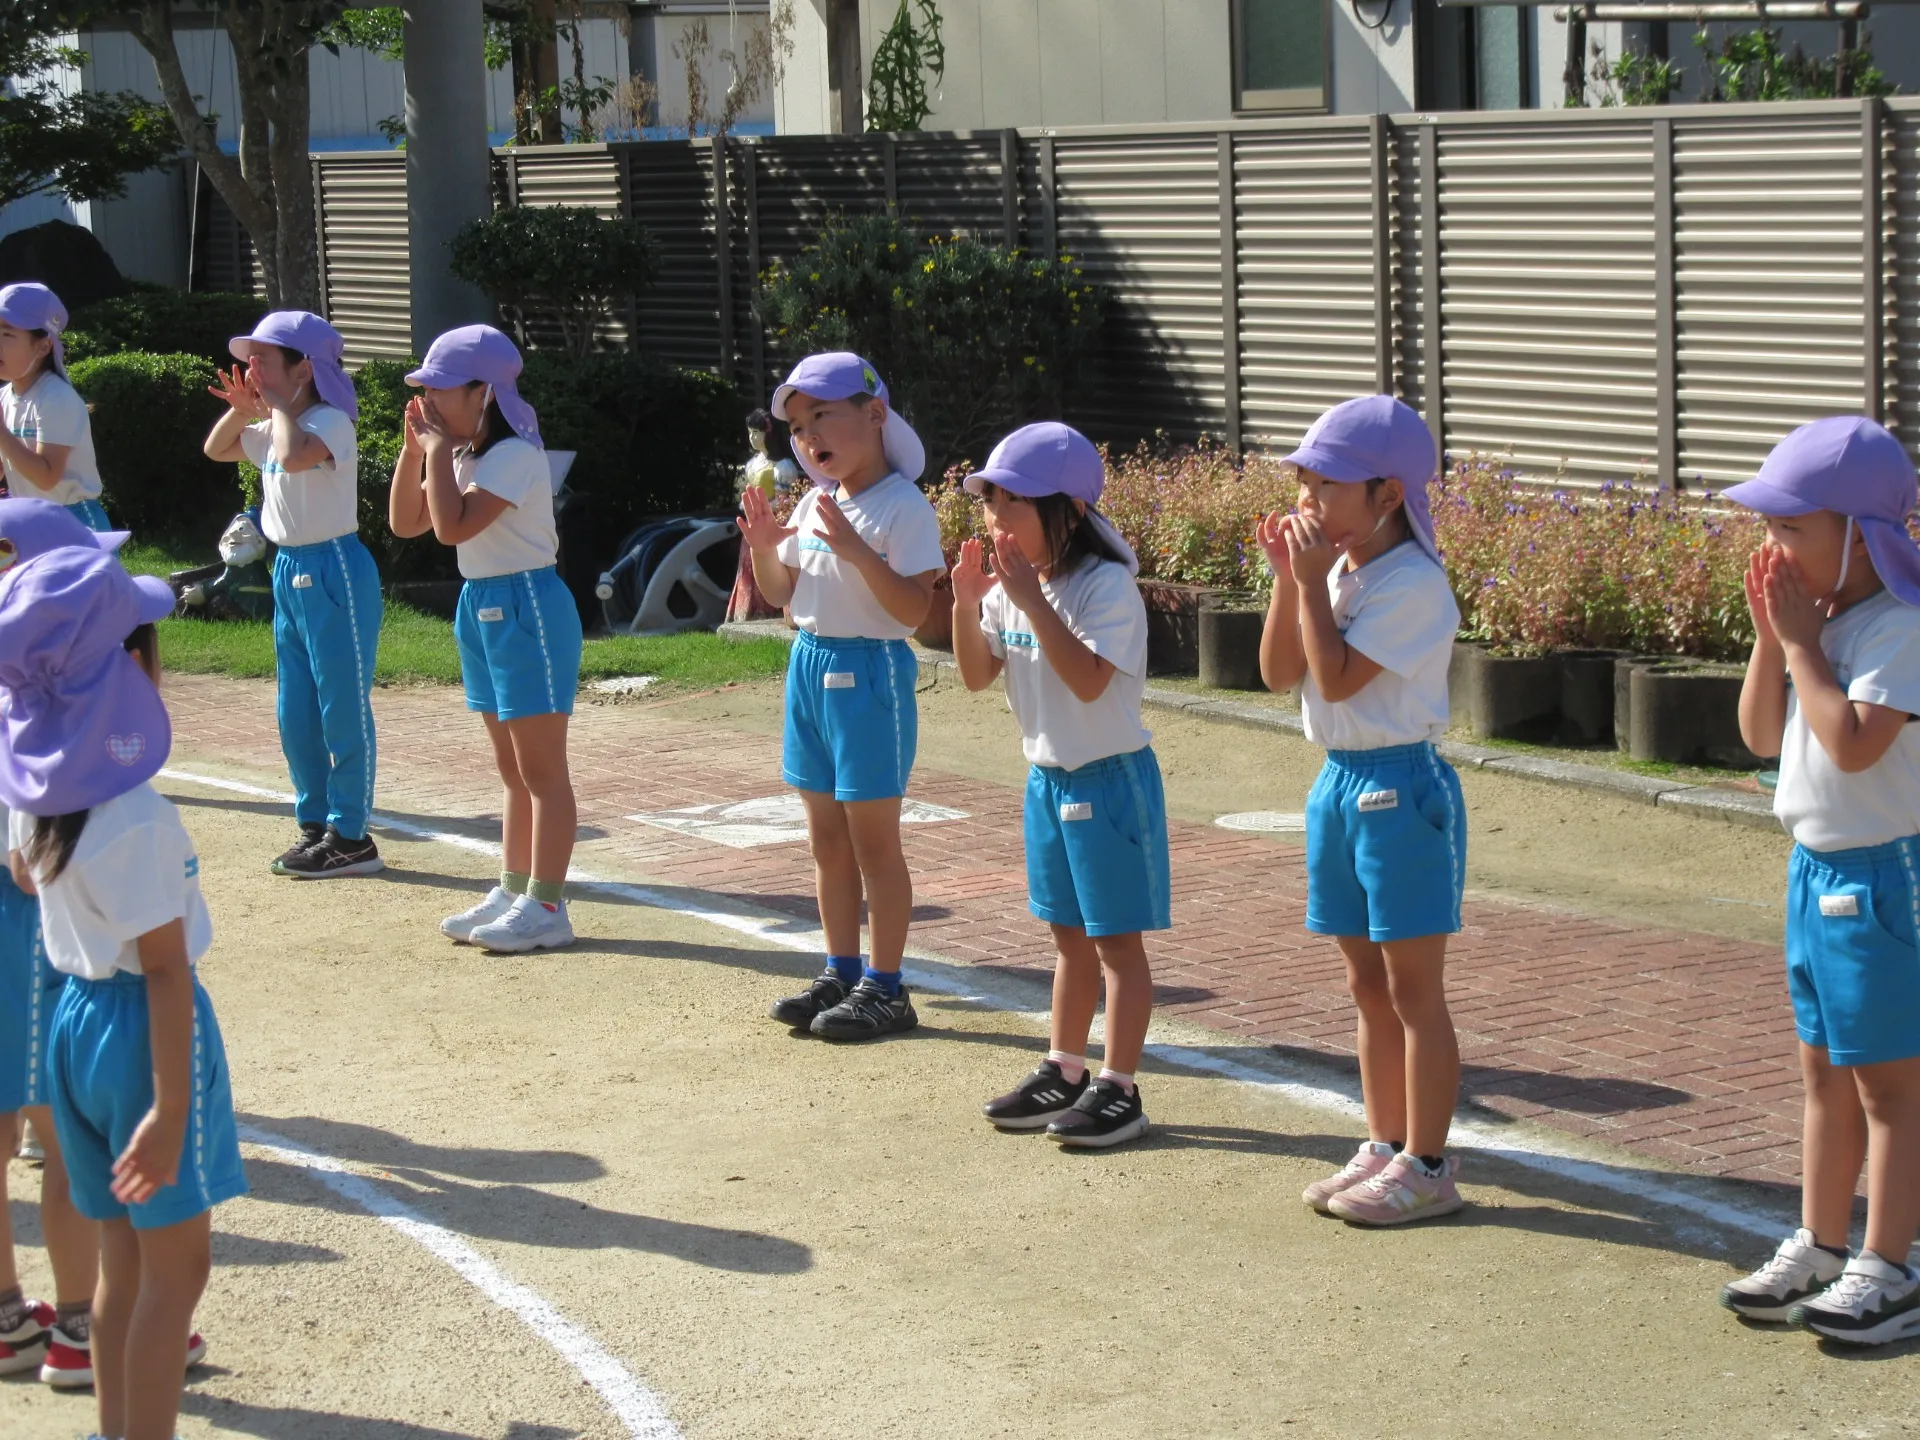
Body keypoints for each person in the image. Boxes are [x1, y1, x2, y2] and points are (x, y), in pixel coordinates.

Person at [0, 544, 244, 1440]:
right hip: (143, 1033)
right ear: (131, 673)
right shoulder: (139, 815)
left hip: (76, 1021)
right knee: (174, 1275)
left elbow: (29, 884)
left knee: (120, 1262)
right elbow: (167, 969)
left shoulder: (36, 798)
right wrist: (172, 1107)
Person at [1720, 416, 1920, 1346]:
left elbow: (1851, 746)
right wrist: (1774, 638)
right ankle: (1823, 1241)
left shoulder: (1899, 628)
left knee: (1890, 1086)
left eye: (1792, 528)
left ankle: (1890, 1264)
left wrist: (1802, 645)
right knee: (1822, 1073)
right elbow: (1761, 735)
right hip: (1813, 873)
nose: (1774, 547)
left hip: (1883, 879)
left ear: (1860, 533)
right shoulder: (1821, 623)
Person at [1257, 394, 1467, 1226]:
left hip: (1400, 784)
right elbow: (1280, 673)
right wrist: (1290, 581)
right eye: (1305, 484)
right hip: (1339, 780)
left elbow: (1340, 678)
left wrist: (1310, 585)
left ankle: (1429, 1164)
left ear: (1387, 494)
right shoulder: (1336, 569)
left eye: (1327, 486)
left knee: (1414, 988)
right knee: (1365, 982)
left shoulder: (1413, 581)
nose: (1309, 502)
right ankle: (1383, 1142)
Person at [952, 423, 1168, 1147]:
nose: (996, 519)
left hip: (1109, 783)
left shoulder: (1105, 585)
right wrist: (964, 601)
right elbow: (979, 675)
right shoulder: (1015, 589)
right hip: (1045, 780)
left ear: (1070, 512)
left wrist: (1028, 600)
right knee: (1068, 939)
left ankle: (1120, 1087)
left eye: (1013, 505)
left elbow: (1086, 682)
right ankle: (1064, 1068)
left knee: (1116, 946)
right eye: (991, 503)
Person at [736, 353, 944, 1039]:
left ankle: (887, 986)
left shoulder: (902, 506)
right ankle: (841, 967)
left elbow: (915, 609)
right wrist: (767, 546)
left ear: (875, 413)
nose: (806, 436)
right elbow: (785, 595)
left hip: (870, 676)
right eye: (796, 426)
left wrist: (858, 550)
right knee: (826, 837)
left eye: (821, 415)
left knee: (873, 843)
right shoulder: (817, 500)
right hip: (810, 665)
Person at [388, 325, 582, 954]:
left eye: (441, 390)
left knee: (541, 768)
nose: (430, 402)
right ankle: (514, 887)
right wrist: (416, 451)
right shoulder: (467, 456)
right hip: (482, 605)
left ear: (485, 393)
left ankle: (547, 904)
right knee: (510, 768)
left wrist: (438, 452)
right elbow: (405, 521)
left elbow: (449, 528)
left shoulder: (513, 457)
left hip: (527, 606)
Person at [203, 311, 384, 880]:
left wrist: (277, 405)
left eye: (264, 358)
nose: (251, 366)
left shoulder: (331, 422)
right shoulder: (283, 422)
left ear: (304, 368)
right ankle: (315, 824)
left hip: (335, 568)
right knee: (295, 709)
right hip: (290, 569)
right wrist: (242, 408)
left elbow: (293, 455)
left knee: (341, 706)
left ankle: (351, 834)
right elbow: (217, 448)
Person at [0, 283, 111, 531]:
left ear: (43, 346)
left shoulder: (56, 398)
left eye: (7, 334)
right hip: (29, 519)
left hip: (73, 522)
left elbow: (46, 477)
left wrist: (2, 434)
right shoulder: (5, 397)